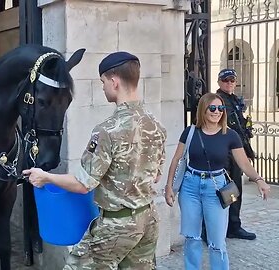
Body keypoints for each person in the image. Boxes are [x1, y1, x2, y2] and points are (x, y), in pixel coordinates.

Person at [23, 52, 167, 269]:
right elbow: (156, 175)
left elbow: (83, 185)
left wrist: (45, 178)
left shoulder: (107, 131)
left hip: (116, 225)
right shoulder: (156, 125)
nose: (102, 88)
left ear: (114, 81)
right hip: (148, 219)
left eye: (102, 82)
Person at [164, 92, 270, 270]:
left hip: (216, 188)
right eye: (212, 108)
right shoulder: (190, 132)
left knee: (217, 241)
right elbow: (176, 159)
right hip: (190, 187)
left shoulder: (230, 135)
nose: (217, 112)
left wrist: (259, 179)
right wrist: (169, 187)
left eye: (220, 108)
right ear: (203, 110)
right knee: (192, 236)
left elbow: (243, 162)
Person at [215, 68, 257, 240]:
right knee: (223, 190)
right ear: (219, 82)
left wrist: (246, 151)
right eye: (226, 80)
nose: (230, 83)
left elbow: (241, 129)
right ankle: (220, 226)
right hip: (225, 153)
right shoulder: (218, 100)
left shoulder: (234, 100)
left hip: (236, 151)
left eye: (232, 80)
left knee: (235, 190)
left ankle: (233, 225)